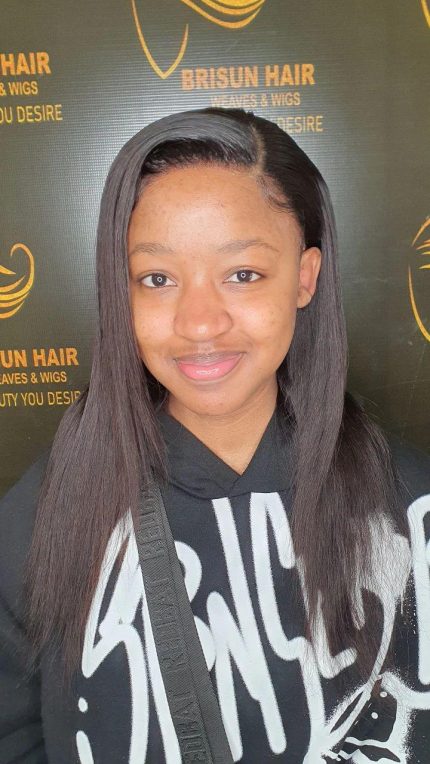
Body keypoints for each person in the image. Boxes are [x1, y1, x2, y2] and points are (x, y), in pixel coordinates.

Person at [0, 107, 429, 764]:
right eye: (157, 279)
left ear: (305, 277)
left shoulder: (411, 508)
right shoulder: (49, 510)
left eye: (243, 274)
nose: (199, 323)